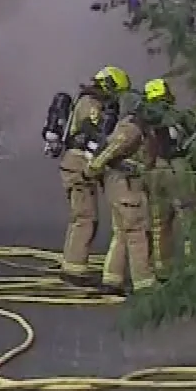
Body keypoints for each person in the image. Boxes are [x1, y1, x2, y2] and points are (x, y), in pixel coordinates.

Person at [56, 65, 130, 285]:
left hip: (77, 163)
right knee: (85, 218)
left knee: (84, 217)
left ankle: (73, 266)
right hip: (78, 163)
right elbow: (94, 133)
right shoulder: (90, 104)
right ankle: (73, 271)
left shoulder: (88, 101)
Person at [86, 80, 156, 295]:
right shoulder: (133, 128)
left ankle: (112, 279)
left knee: (122, 233)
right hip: (126, 185)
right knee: (137, 232)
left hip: (121, 184)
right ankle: (144, 284)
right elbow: (112, 148)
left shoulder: (134, 126)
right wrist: (93, 168)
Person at [137, 78, 196, 273]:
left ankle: (163, 269)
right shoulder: (179, 115)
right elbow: (194, 136)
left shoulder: (143, 119)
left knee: (159, 222)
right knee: (189, 219)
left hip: (155, 170)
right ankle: (193, 266)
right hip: (179, 167)